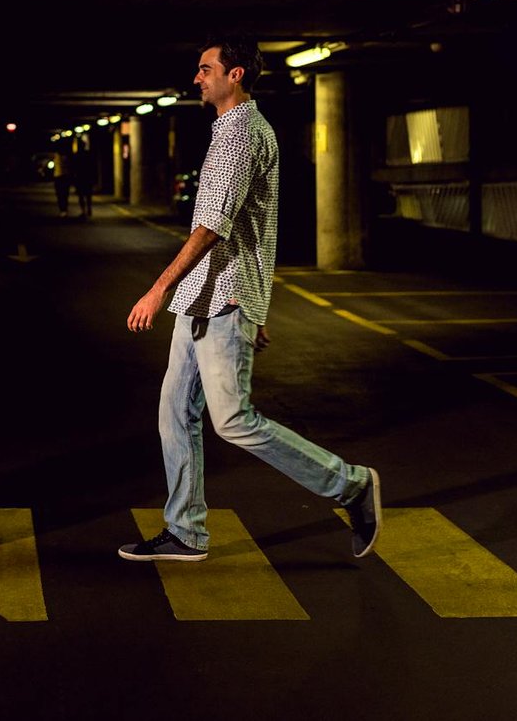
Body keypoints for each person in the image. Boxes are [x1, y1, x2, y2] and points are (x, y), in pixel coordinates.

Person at [120, 37, 380, 562]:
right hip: (203, 301)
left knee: (233, 420)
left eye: (205, 69)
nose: (197, 77)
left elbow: (213, 225)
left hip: (220, 300)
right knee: (175, 414)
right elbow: (256, 228)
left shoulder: (240, 135)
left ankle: (350, 485)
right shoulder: (229, 131)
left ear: (234, 74)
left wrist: (158, 287)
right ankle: (186, 532)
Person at [70, 137, 96, 219]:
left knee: (82, 195)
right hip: (87, 177)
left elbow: (74, 168)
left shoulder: (77, 155)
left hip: (81, 177)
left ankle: (84, 211)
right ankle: (88, 209)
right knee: (88, 195)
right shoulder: (88, 154)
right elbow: (93, 167)